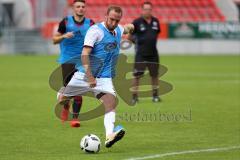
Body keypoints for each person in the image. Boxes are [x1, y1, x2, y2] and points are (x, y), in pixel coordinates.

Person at [59, 5, 134, 148]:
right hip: (83, 75)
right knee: (62, 99)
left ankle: (109, 136)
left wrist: (131, 27)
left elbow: (126, 28)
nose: (113, 23)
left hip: (104, 78)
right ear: (106, 16)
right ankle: (63, 96)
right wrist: (90, 76)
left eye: (117, 20)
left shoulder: (118, 29)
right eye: (111, 19)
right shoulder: (95, 31)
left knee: (111, 103)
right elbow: (85, 54)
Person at [52, 0, 94, 127]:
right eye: (78, 6)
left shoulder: (90, 23)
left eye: (83, 6)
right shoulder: (65, 22)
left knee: (78, 90)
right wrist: (64, 36)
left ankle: (75, 118)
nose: (81, 9)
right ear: (73, 8)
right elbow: (54, 40)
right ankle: (66, 107)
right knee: (67, 90)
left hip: (83, 60)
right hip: (67, 60)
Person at [129, 1, 161, 105]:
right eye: (145, 9)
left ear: (151, 10)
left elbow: (155, 35)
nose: (147, 11)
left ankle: (155, 96)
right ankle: (134, 97)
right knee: (137, 75)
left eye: (149, 9)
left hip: (153, 54)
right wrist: (136, 41)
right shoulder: (136, 22)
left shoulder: (156, 21)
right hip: (141, 54)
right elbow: (130, 37)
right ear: (142, 10)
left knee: (154, 75)